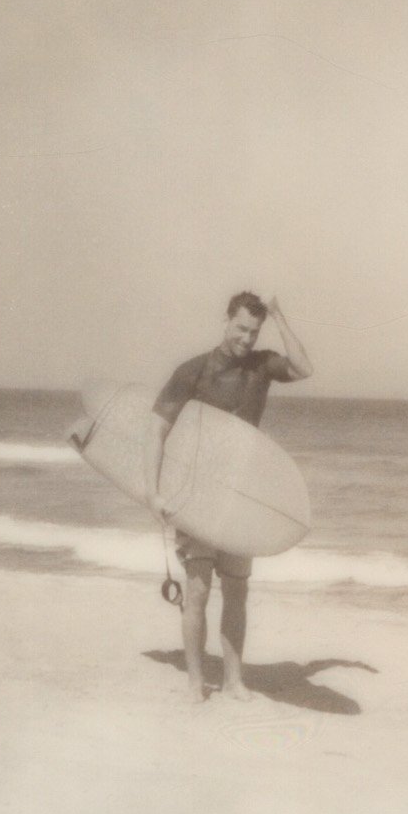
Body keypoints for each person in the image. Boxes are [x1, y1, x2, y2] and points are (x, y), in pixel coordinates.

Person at [144, 293, 313, 703]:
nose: (247, 339)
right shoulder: (194, 371)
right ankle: (195, 682)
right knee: (198, 590)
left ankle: (235, 680)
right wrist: (154, 492)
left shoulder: (262, 366)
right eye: (241, 328)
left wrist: (280, 316)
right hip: (199, 494)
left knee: (237, 592)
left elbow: (305, 368)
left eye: (254, 332)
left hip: (240, 496)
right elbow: (156, 430)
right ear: (226, 321)